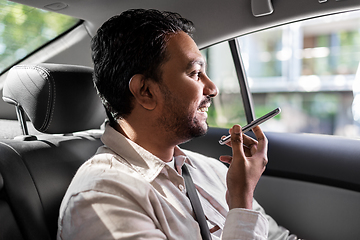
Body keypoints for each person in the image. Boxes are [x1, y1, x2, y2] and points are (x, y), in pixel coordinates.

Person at [57, 9, 298, 240]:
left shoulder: (209, 170)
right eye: (195, 73)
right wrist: (241, 203)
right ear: (146, 91)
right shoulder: (102, 198)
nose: (212, 89)